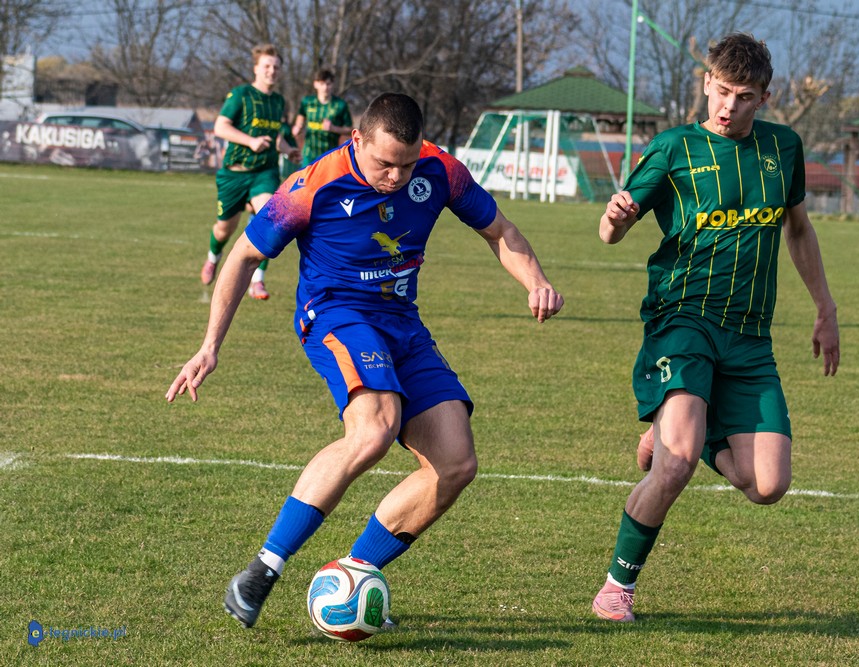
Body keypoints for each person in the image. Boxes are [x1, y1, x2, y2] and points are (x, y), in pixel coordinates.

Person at [166, 92, 564, 630]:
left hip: (403, 324)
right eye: (384, 164)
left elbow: (501, 232)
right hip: (337, 315)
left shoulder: (442, 170)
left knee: (455, 463)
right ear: (358, 139)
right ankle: (261, 571)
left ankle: (353, 575)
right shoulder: (312, 185)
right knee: (375, 429)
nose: (397, 177)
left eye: (407, 164)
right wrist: (210, 345)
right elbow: (244, 255)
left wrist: (536, 281)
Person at [590, 33, 840, 622]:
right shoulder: (674, 148)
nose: (729, 106)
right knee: (673, 465)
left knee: (767, 485)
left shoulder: (783, 147)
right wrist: (614, 217)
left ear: (764, 98)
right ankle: (617, 588)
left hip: (750, 334)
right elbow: (610, 232)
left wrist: (825, 308)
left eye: (744, 96)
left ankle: (689, 432)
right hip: (683, 319)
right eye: (722, 90)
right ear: (706, 83)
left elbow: (798, 229)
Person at [200, 43, 300, 301]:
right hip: (235, 174)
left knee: (270, 219)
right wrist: (250, 141)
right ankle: (213, 256)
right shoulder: (241, 94)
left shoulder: (278, 101)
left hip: (264, 173)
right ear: (256, 68)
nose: (272, 71)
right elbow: (221, 127)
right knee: (224, 229)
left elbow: (276, 138)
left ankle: (258, 280)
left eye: (276, 67)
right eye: (267, 66)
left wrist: (288, 150)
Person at [290, 68, 353, 169]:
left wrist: (334, 128)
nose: (325, 87)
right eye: (322, 84)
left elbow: (350, 129)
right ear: (315, 84)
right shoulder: (307, 102)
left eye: (328, 84)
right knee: (305, 179)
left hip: (330, 155)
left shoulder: (340, 105)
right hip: (309, 154)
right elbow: (300, 117)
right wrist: (297, 127)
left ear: (332, 84)